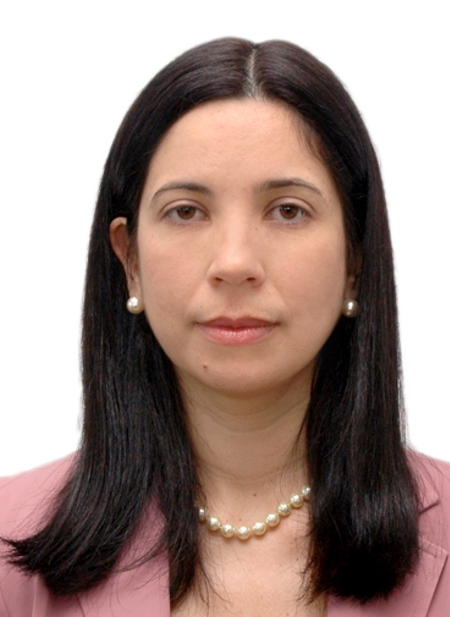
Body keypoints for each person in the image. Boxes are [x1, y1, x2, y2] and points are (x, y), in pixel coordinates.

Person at [0, 37, 449, 617]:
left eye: (288, 210)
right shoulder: (9, 544)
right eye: (186, 211)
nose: (234, 263)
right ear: (130, 260)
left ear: (355, 261)